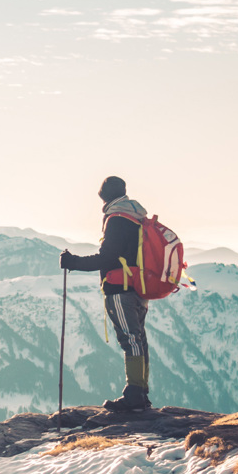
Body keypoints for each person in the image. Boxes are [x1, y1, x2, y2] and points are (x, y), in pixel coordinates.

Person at [59, 176, 152, 412]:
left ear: (104, 195)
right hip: (139, 287)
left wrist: (73, 262)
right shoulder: (136, 217)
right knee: (138, 338)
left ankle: (134, 395)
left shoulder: (117, 219)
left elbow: (107, 258)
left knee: (130, 338)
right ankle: (141, 392)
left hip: (120, 289)